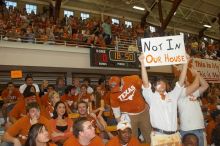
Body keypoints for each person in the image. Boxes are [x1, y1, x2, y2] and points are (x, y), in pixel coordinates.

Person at [139, 53, 189, 145]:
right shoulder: (151, 97)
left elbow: (181, 82)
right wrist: (143, 63)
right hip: (159, 137)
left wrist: (185, 63)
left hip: (175, 136)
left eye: (163, 82)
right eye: (158, 83)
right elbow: (146, 83)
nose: (161, 85)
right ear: (154, 86)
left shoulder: (173, 95)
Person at [109, 75, 151, 143]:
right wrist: (121, 124)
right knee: (131, 139)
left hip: (143, 112)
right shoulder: (113, 94)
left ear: (122, 82)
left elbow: (147, 88)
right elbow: (116, 111)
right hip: (129, 116)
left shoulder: (133, 79)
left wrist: (149, 103)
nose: (117, 90)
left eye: (118, 87)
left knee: (149, 135)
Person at [178, 69, 209, 146]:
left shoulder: (193, 93)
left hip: (199, 129)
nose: (188, 82)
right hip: (188, 130)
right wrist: (197, 74)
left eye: (187, 80)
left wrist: (197, 74)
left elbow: (205, 85)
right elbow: (196, 85)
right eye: (185, 81)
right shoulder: (179, 93)